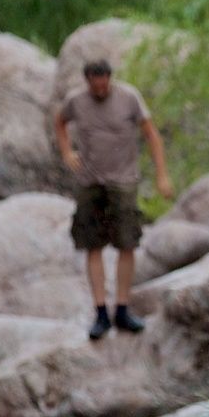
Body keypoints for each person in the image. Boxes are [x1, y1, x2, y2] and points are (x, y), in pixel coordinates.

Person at [53, 58, 172, 341]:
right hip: (90, 181)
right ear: (87, 82)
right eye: (95, 84)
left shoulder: (129, 97)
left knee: (126, 244)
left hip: (123, 180)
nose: (101, 88)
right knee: (92, 245)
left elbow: (151, 134)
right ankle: (100, 312)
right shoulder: (76, 101)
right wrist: (67, 152)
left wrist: (162, 175)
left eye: (105, 82)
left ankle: (121, 308)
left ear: (110, 78)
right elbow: (60, 121)